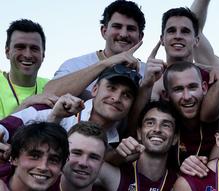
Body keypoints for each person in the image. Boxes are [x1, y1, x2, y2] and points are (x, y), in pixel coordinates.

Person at [0, 64, 140, 146]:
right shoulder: (54, 109)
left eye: (127, 95)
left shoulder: (118, 143)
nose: (116, 98)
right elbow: (4, 128)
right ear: (95, 89)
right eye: (111, 88)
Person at [44, 0, 146, 100]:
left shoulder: (147, 72)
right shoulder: (76, 65)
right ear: (104, 31)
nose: (123, 34)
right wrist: (106, 63)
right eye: (117, 26)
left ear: (140, 36)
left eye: (131, 29)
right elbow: (48, 93)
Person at [1, 19, 53, 118]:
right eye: (20, 47)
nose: (27, 55)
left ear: (43, 55)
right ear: (7, 52)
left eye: (34, 48)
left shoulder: (52, 87)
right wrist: (27, 104)